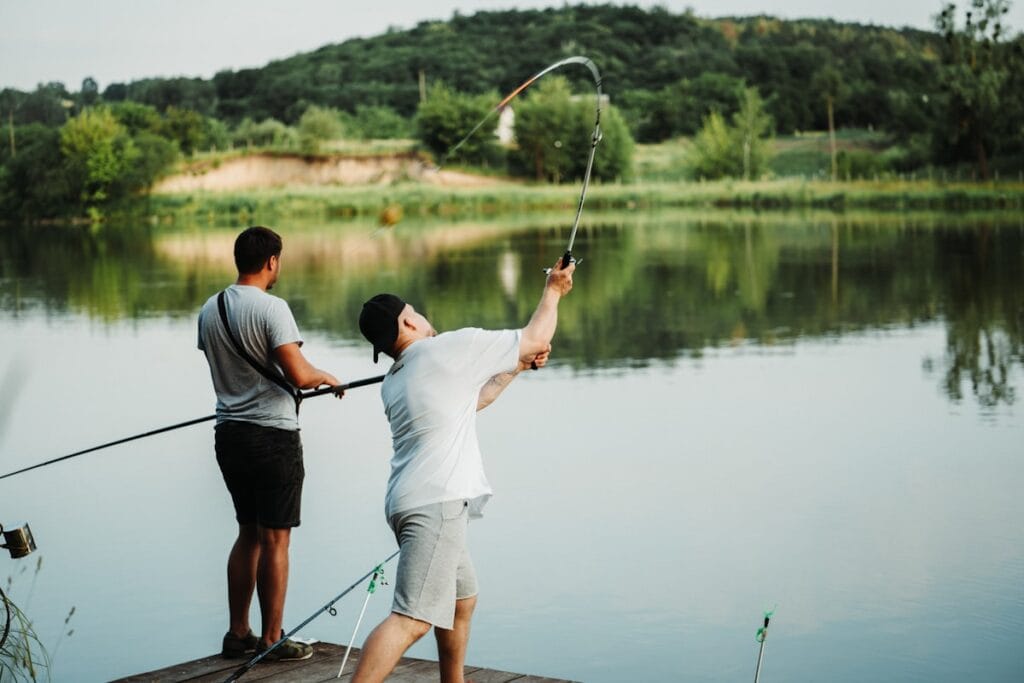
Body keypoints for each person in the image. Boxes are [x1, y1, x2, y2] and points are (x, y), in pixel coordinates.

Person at [353, 257, 575, 682]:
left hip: (410, 502)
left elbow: (475, 400)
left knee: (461, 600)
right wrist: (553, 289)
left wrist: (517, 366)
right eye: (415, 312)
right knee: (411, 618)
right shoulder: (445, 349)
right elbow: (535, 337)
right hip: (436, 502)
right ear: (408, 323)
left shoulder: (395, 380)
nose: (422, 316)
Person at [197, 226, 342, 662]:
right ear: (271, 261)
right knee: (275, 540)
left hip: (229, 435)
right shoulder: (272, 308)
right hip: (273, 437)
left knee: (247, 532)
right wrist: (326, 377)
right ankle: (272, 639)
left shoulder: (210, 308)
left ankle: (238, 632)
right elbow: (298, 374)